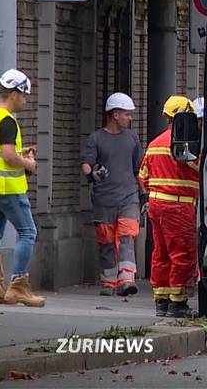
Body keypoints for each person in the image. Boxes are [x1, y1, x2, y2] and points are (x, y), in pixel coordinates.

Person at [0, 69, 44, 307]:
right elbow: (8, 156)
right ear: (15, 94)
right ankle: (18, 285)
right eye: (24, 95)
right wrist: (27, 162)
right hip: (9, 188)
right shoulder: (8, 120)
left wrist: (20, 153)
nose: (25, 100)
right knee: (28, 232)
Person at [139, 96, 199, 318]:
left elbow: (142, 176)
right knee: (182, 253)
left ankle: (161, 301)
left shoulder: (154, 144)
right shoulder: (188, 145)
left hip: (155, 204)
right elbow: (202, 169)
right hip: (178, 205)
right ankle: (177, 302)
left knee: (160, 253)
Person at [82, 93, 144, 296]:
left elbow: (139, 168)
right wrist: (93, 174)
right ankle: (109, 282)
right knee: (107, 242)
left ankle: (126, 279)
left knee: (127, 236)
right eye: (127, 114)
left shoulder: (132, 138)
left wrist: (144, 194)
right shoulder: (96, 138)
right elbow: (86, 165)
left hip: (128, 197)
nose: (130, 118)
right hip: (104, 199)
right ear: (115, 115)